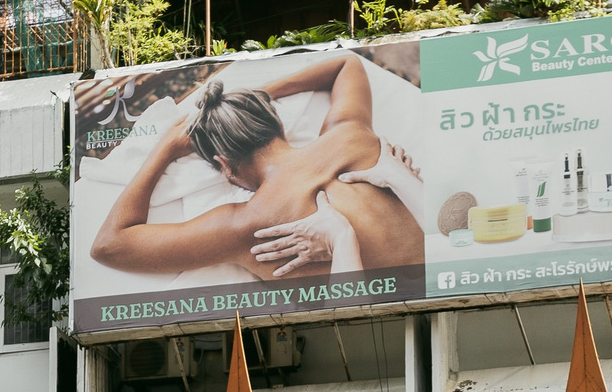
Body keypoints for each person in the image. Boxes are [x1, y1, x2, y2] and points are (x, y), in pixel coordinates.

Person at [91, 57, 424, 284]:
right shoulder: (349, 134)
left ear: (224, 165)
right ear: (278, 123)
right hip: (445, 269)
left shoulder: (246, 225)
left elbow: (109, 246)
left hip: (382, 318)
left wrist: (163, 150)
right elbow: (346, 65)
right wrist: (260, 95)